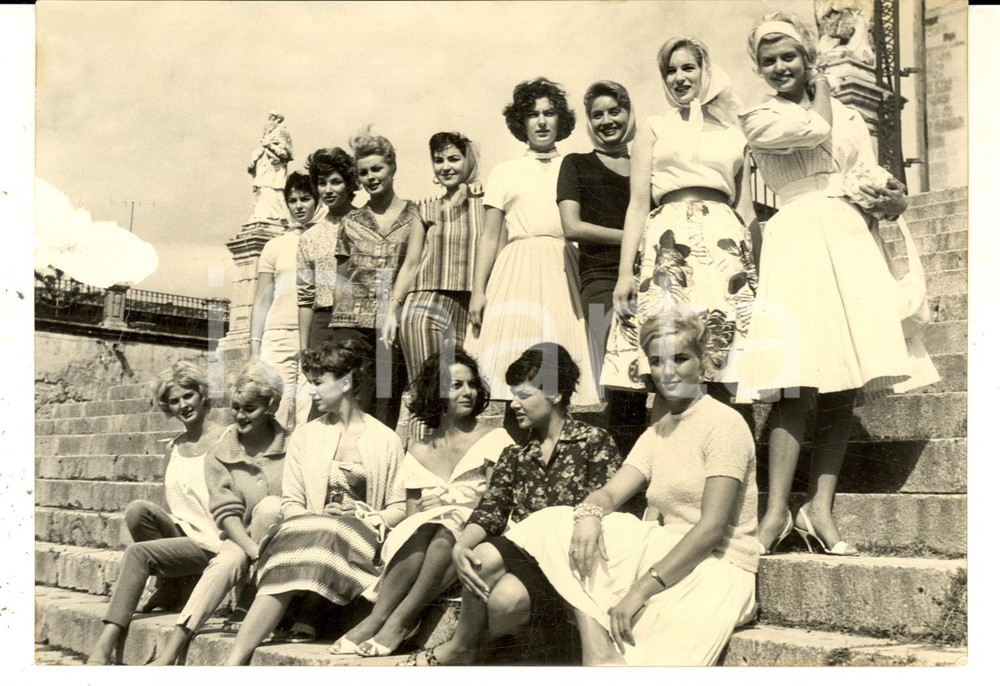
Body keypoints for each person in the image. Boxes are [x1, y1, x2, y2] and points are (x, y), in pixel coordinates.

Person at [734, 12, 912, 556]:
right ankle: (773, 514)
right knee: (794, 380)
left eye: (790, 55)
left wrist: (894, 200)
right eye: (769, 60)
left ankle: (820, 507)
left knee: (845, 381)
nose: (780, 66)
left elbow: (868, 176)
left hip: (849, 238)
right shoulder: (760, 116)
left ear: (808, 56)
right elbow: (815, 130)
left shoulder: (851, 116)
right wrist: (826, 90)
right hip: (796, 237)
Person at [505, 308, 758, 666]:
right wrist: (590, 515)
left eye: (680, 359)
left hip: (717, 565)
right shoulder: (659, 431)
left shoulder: (724, 423)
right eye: (657, 361)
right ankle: (597, 648)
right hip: (664, 548)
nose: (667, 371)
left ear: (703, 362)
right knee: (556, 521)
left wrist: (641, 589)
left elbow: (712, 528)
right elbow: (610, 493)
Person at [401, 343, 622, 666]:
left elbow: (609, 507)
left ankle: (466, 650)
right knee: (500, 595)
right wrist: (462, 545)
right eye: (513, 396)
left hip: (578, 566)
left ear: (556, 395)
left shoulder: (593, 442)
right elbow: (491, 508)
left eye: (524, 396)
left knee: (504, 591)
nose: (514, 405)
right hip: (530, 564)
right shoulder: (516, 455)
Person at [603, 37, 758, 425]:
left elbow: (743, 205)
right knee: (669, 358)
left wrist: (756, 268)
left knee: (722, 357)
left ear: (705, 70)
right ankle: (667, 468)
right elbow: (638, 202)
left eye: (688, 67)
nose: (679, 77)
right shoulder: (655, 128)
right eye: (670, 70)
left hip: (723, 243)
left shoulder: (735, 132)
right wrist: (625, 273)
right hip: (669, 243)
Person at [224, 338, 406, 665]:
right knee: (316, 530)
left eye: (319, 383)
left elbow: (399, 508)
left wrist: (365, 513)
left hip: (361, 543)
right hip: (312, 534)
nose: (313, 392)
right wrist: (320, 517)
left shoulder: (386, 440)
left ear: (346, 382)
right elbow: (292, 503)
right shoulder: (306, 437)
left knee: (328, 532)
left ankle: (290, 620)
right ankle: (236, 659)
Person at [332, 349, 513, 657]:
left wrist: (454, 502)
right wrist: (432, 509)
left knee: (444, 534)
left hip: (480, 528)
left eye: (471, 384)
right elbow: (412, 515)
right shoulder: (418, 450)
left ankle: (402, 620)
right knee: (426, 530)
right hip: (430, 533)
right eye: (456, 385)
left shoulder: (494, 437)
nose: (468, 392)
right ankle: (377, 618)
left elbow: (498, 499)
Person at [465, 78, 600, 418]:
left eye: (549, 113)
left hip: (563, 267)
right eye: (533, 114)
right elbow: (490, 237)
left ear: (561, 120)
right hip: (517, 270)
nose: (541, 122)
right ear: (520, 122)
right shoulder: (504, 172)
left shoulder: (576, 166)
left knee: (563, 374)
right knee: (512, 369)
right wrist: (478, 291)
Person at [87, 362, 226, 665]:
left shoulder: (225, 438)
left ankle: (105, 643)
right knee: (138, 510)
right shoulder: (173, 447)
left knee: (138, 553)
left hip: (215, 543)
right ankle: (171, 585)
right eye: (174, 401)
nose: (183, 405)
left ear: (202, 395)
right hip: (186, 537)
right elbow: (176, 505)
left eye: (188, 396)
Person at [151, 365, 287, 665]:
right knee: (225, 562)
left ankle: (251, 605)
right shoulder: (221, 450)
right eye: (235, 408)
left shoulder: (293, 446)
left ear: (272, 406)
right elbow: (226, 514)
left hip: (285, 542)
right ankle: (169, 652)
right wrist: (252, 551)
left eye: (249, 409)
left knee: (271, 507)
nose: (240, 416)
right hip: (242, 539)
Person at [556, 80, 648, 455]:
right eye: (598, 114)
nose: (607, 120)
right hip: (601, 279)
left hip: (652, 275)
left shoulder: (648, 162)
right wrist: (633, 237)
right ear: (588, 121)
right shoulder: (576, 163)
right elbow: (571, 226)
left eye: (615, 111)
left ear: (629, 113)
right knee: (621, 379)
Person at [328, 129, 421, 429]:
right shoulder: (351, 222)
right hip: (353, 329)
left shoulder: (415, 215)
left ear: (392, 167)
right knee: (355, 405)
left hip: (392, 326)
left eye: (377, 169)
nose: (371, 177)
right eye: (363, 172)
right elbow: (340, 278)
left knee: (386, 407)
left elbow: (415, 265)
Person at [382, 132, 485, 386]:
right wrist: (391, 312)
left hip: (471, 306)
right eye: (439, 160)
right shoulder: (424, 209)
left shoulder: (488, 205)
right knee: (428, 390)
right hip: (426, 304)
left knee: (462, 393)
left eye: (454, 159)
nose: (446, 167)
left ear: (468, 160)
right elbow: (411, 264)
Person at [250, 172, 326, 431]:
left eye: (305, 199)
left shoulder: (325, 238)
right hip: (277, 336)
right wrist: (255, 347)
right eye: (292, 200)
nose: (299, 206)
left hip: (312, 335)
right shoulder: (274, 246)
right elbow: (262, 301)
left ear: (317, 200)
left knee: (308, 412)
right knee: (277, 408)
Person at [297, 147, 359, 350]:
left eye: (335, 182)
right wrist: (304, 348)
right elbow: (305, 297)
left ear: (349, 184)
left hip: (360, 323)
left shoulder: (367, 225)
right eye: (322, 183)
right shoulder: (309, 237)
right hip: (322, 325)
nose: (328, 190)